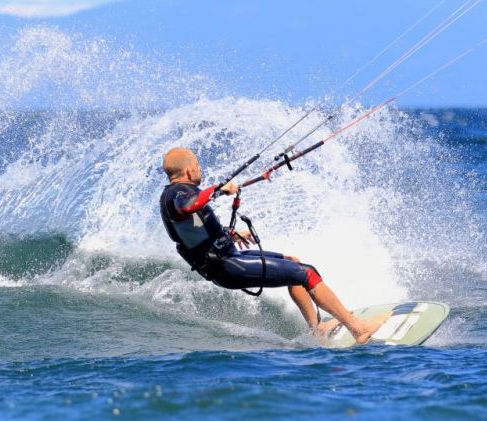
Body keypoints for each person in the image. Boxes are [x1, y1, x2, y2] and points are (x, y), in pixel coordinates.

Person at [159, 147, 385, 344]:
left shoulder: (177, 195)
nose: (200, 170)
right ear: (189, 170)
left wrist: (231, 235)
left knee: (292, 263)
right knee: (308, 273)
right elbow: (187, 207)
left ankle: (317, 329)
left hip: (224, 258)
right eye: (198, 166)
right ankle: (358, 329)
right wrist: (218, 190)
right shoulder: (177, 195)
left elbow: (195, 230)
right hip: (226, 265)